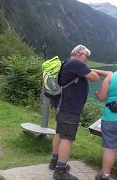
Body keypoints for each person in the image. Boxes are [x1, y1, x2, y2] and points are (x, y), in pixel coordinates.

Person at [49, 45, 101, 180]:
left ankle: (54, 162)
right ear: (79, 53)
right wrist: (91, 70)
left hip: (63, 106)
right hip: (70, 108)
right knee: (68, 138)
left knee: (60, 133)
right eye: (86, 56)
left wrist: (86, 69)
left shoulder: (67, 63)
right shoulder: (76, 63)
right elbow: (95, 78)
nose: (87, 59)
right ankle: (60, 171)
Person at [94, 70, 116, 180]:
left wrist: (97, 94)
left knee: (110, 148)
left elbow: (102, 97)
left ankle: (105, 175)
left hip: (111, 118)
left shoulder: (111, 77)